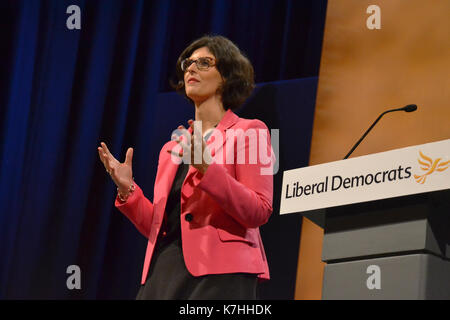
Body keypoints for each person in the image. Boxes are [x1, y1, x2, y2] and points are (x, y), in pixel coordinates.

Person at [97, 35, 274, 300]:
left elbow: (258, 211)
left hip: (221, 273)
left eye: (204, 63)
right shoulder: (172, 148)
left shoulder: (251, 131)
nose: (191, 68)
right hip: (164, 269)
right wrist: (128, 190)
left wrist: (207, 168)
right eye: (188, 63)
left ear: (227, 75)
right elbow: (158, 227)